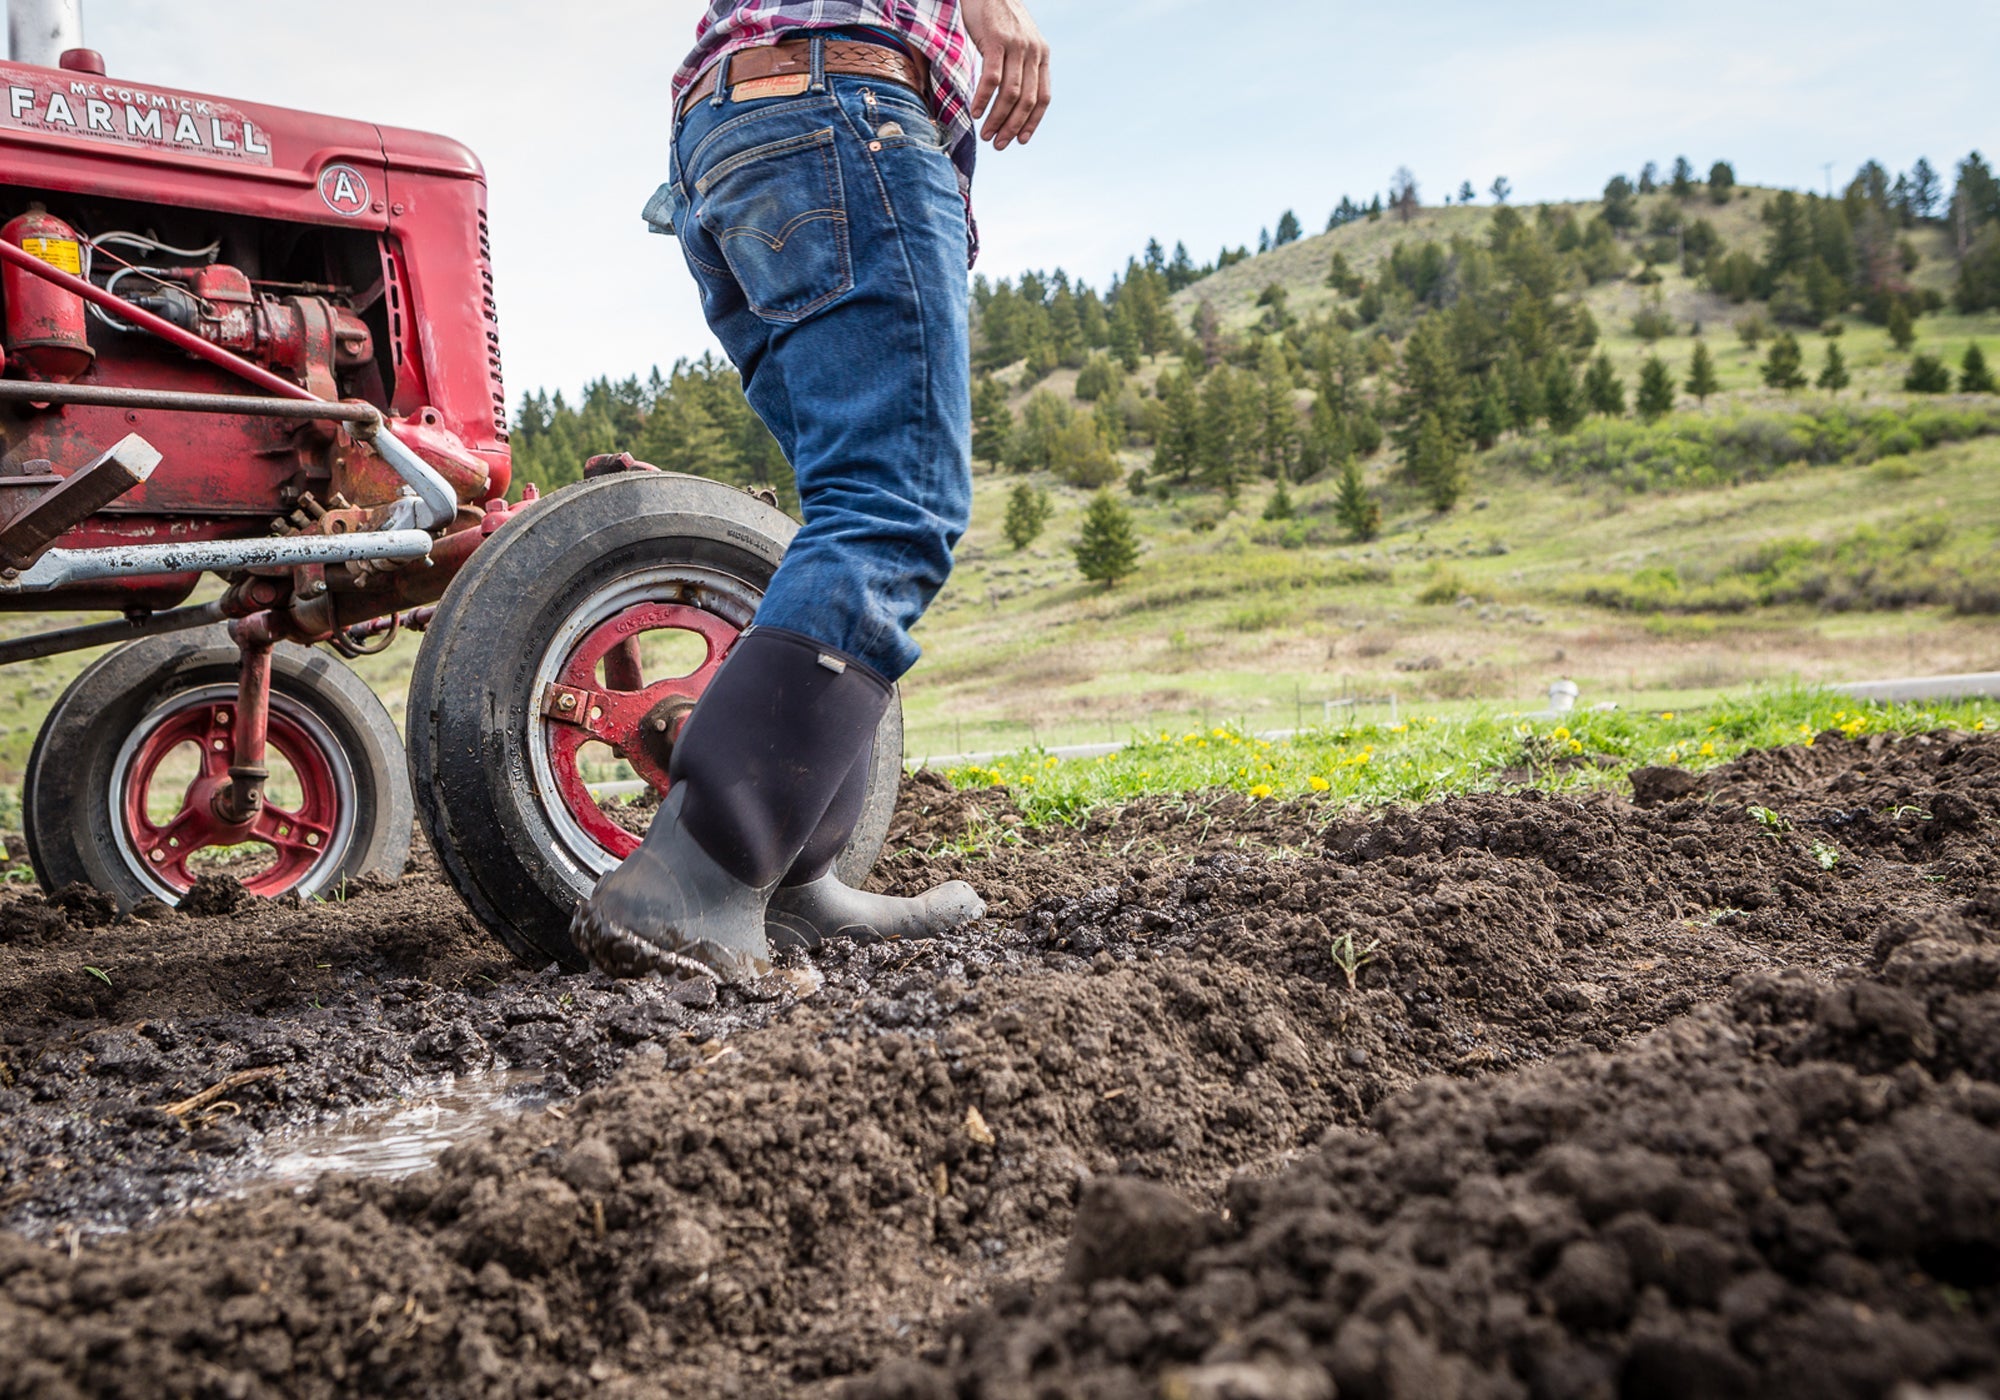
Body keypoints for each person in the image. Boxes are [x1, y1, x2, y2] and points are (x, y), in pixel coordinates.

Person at [574, 0, 1052, 983]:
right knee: (892, 504)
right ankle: (701, 872)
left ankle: (790, 872)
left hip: (741, 133)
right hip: (838, 107)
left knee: (852, 500)